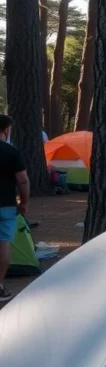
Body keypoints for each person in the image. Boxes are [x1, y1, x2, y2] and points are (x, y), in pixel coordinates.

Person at [0, 116, 28, 302]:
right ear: (6, 130)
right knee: (3, 243)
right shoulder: (12, 152)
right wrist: (24, 202)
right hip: (6, 206)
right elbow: (23, 180)